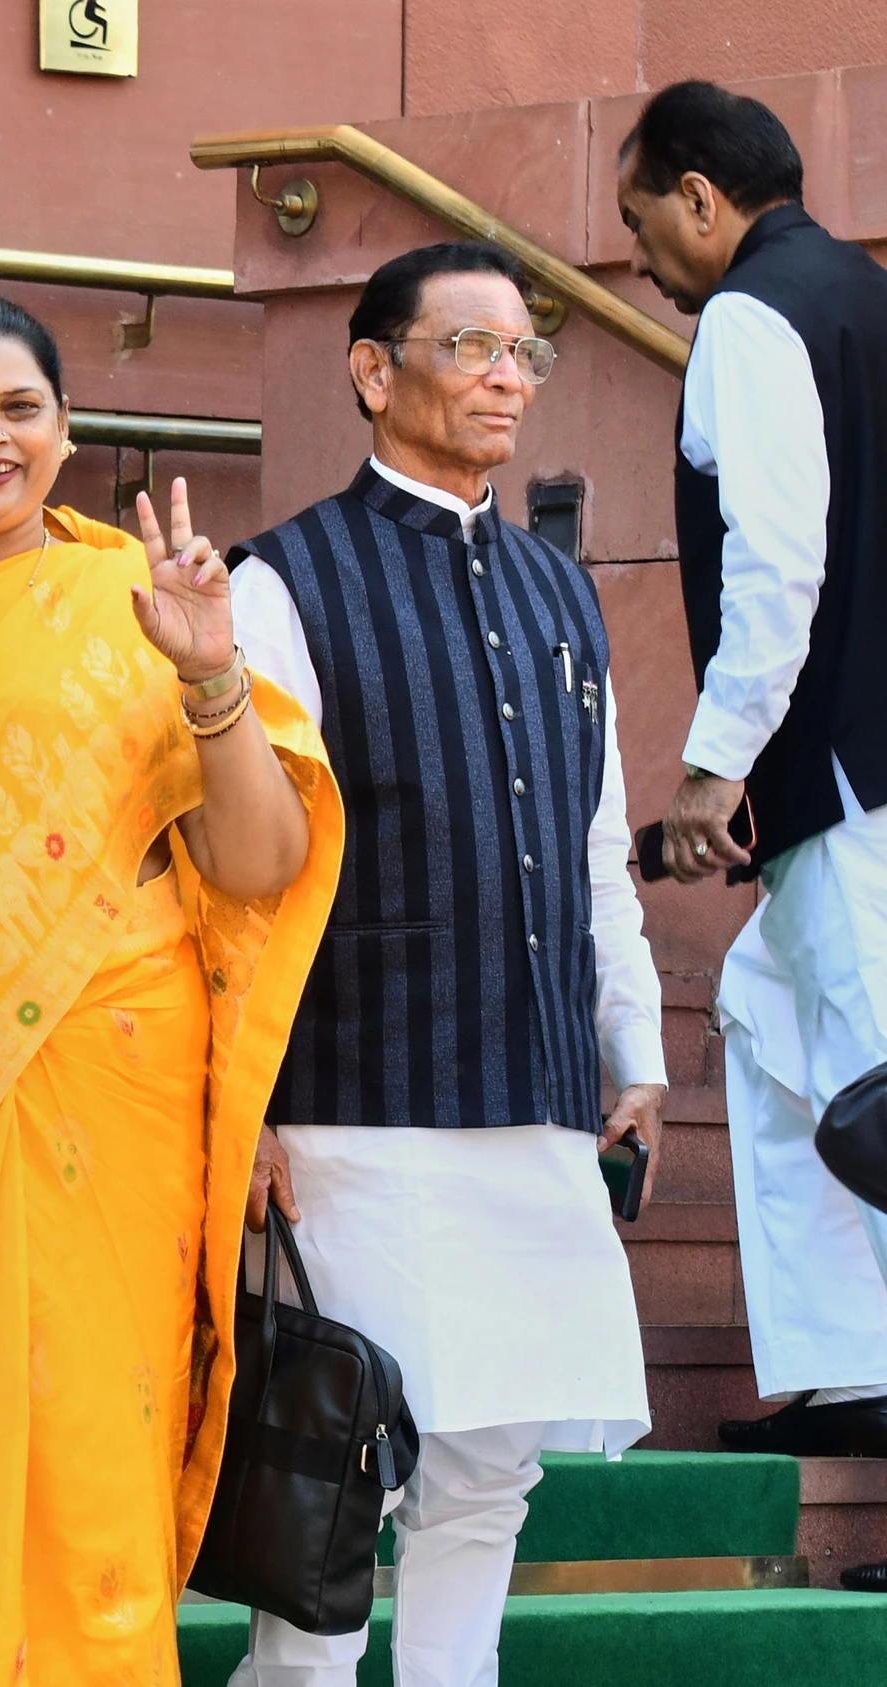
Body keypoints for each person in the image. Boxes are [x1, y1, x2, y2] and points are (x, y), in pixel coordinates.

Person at [0, 294, 343, 1687]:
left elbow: (261, 862)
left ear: (67, 430)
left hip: (103, 1077)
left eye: (20, 408)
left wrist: (212, 676)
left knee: (88, 1448)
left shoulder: (137, 600)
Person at [222, 240, 662, 1687]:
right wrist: (249, 1104)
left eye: (524, 353)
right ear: (373, 369)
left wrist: (634, 1049)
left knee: (490, 1473)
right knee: (341, 1467)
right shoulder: (283, 581)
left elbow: (594, 845)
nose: (506, 377)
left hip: (535, 1100)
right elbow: (242, 875)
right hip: (353, 1104)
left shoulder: (560, 592)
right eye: (471, 346)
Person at [615, 80, 887, 1476]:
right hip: (859, 767)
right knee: (771, 1020)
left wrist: (713, 768)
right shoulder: (866, 296)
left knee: (874, 1079)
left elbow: (778, 564)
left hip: (846, 770)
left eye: (641, 221)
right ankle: (855, 1367)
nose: (642, 258)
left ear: (701, 197)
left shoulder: (750, 313)